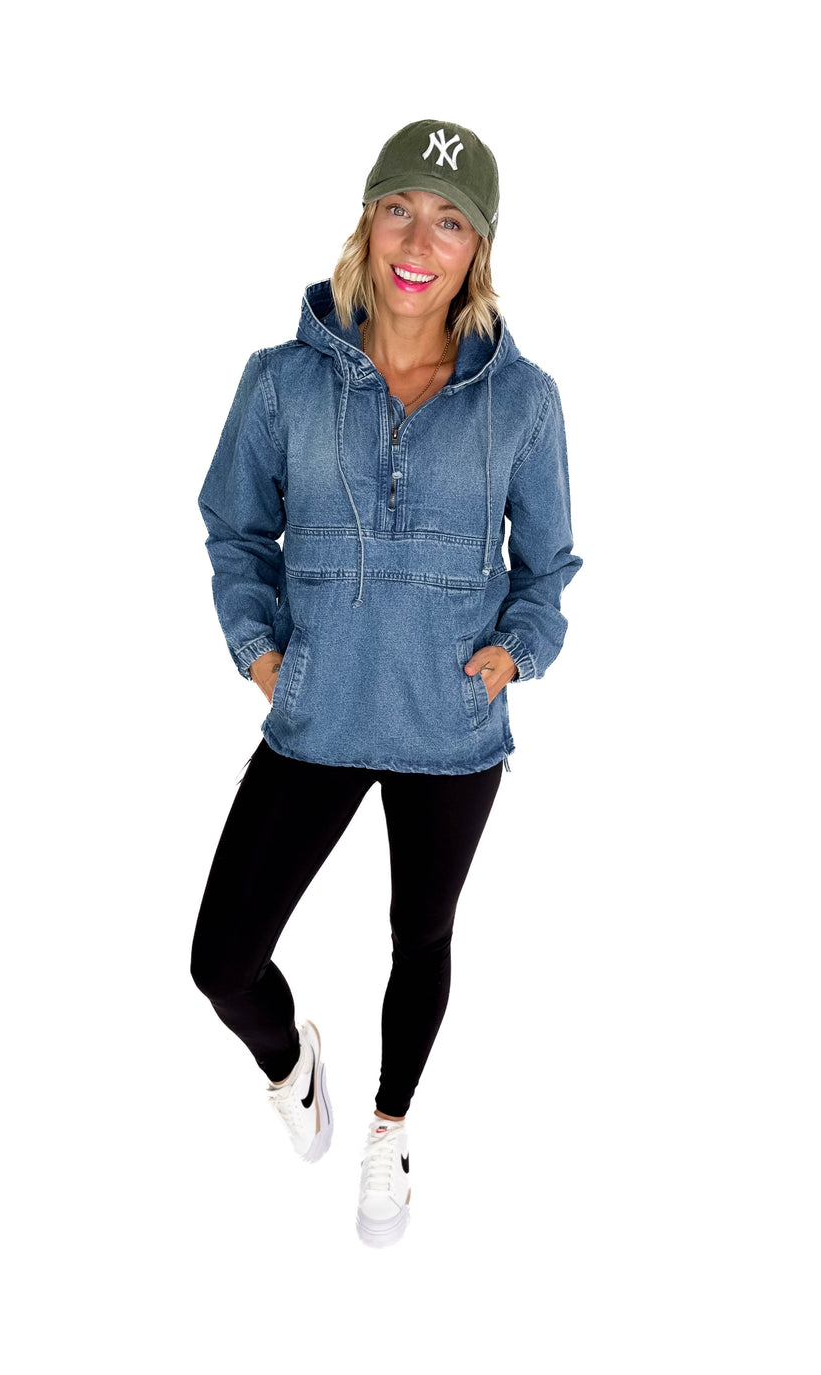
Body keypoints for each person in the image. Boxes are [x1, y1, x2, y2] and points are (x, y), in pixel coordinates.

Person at [190, 119, 582, 1248]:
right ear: (367, 221)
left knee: (422, 937)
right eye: (400, 209)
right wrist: (262, 652)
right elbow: (234, 531)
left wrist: (517, 651)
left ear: (478, 249)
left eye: (450, 221)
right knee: (222, 960)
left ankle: (389, 1128)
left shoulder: (523, 401)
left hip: (450, 724)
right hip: (318, 712)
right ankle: (291, 1065)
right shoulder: (280, 382)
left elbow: (547, 567)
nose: (420, 241)